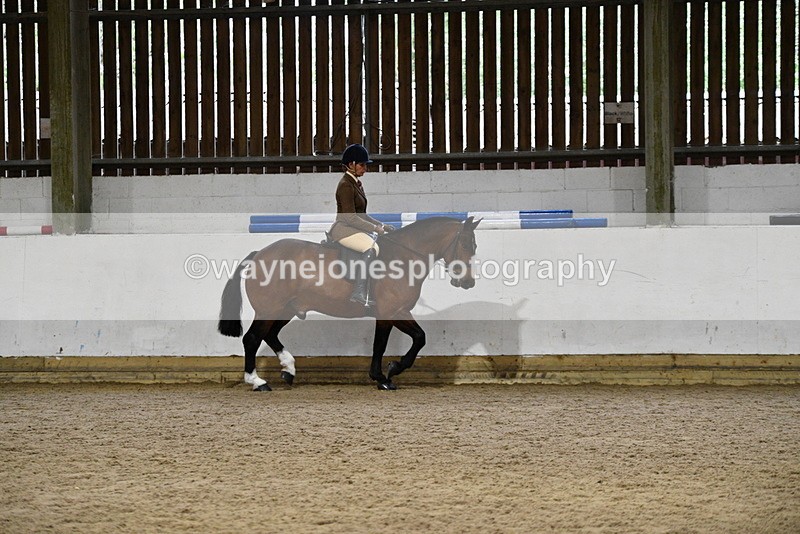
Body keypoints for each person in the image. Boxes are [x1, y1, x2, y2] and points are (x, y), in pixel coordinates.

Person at [329, 143, 394, 306]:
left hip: (353, 228)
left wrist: (381, 225)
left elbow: (362, 215)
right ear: (351, 165)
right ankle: (359, 292)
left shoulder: (355, 183)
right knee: (372, 248)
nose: (365, 168)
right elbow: (350, 217)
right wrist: (374, 229)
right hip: (344, 230)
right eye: (362, 165)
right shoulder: (345, 185)